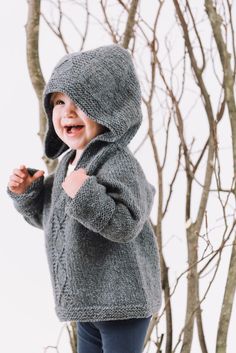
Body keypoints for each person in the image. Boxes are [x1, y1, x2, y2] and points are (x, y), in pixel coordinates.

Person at [7, 44, 162, 353]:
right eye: (59, 102)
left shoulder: (117, 162)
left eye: (81, 102)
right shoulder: (68, 162)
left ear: (110, 108)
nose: (68, 112)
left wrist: (85, 192)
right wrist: (28, 195)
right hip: (87, 302)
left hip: (123, 303)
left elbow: (126, 224)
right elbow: (57, 221)